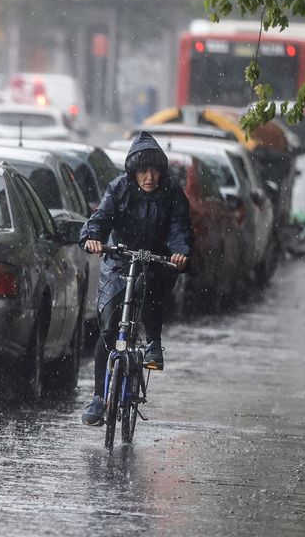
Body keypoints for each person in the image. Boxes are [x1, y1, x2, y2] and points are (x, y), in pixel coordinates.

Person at [78, 131, 193, 427]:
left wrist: (179, 253)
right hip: (118, 260)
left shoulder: (172, 194)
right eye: (143, 170)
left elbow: (179, 229)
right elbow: (100, 220)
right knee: (108, 328)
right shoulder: (119, 188)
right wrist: (93, 238)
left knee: (154, 295)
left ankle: (153, 343)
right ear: (133, 171)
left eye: (154, 170)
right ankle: (100, 399)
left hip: (156, 261)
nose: (149, 177)